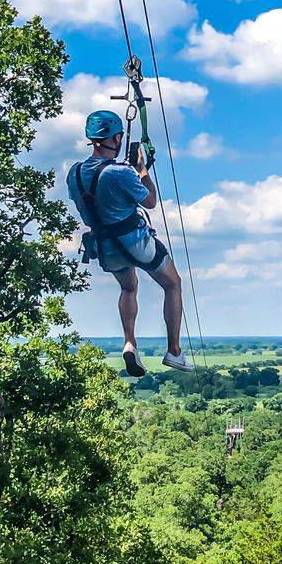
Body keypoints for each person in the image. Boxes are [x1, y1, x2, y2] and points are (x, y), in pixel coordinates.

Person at [67, 109, 192, 376]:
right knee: (172, 283)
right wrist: (141, 170)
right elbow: (150, 201)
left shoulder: (74, 173)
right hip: (135, 241)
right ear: (116, 138)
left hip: (106, 247)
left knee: (128, 288)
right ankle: (174, 351)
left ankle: (129, 343)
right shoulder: (120, 172)